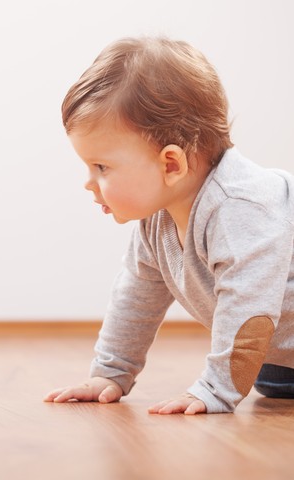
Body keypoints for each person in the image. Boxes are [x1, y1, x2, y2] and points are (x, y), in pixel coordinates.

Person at [43, 37, 294, 414]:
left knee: (256, 368)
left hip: (269, 335)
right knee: (270, 381)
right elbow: (136, 293)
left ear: (171, 164)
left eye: (102, 167)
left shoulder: (241, 208)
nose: (88, 182)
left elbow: (249, 313)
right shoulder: (157, 220)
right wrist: (111, 372)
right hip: (280, 354)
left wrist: (215, 390)